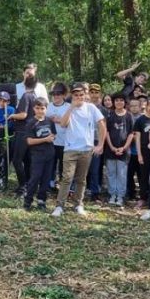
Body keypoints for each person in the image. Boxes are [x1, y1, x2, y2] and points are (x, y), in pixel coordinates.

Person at [51, 83, 106, 218]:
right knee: (67, 178)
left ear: (85, 95)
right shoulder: (69, 108)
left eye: (81, 95)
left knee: (81, 179)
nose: (79, 97)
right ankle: (59, 206)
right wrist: (71, 107)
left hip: (86, 149)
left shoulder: (91, 108)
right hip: (70, 148)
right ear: (72, 96)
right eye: (76, 95)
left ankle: (78, 204)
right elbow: (63, 124)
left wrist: (100, 145)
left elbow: (102, 125)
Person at [24, 97, 56, 211]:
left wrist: (51, 138)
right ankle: (28, 200)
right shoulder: (30, 123)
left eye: (42, 108)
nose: (40, 111)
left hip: (49, 154)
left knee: (46, 179)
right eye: (37, 108)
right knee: (35, 177)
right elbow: (29, 141)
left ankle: (42, 200)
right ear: (33, 108)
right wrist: (45, 140)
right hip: (37, 155)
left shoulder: (49, 121)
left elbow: (53, 134)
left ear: (46, 109)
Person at [104, 92, 134, 206]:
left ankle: (120, 196)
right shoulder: (110, 115)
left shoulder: (129, 116)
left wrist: (124, 147)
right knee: (111, 172)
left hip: (124, 151)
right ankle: (112, 194)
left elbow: (131, 133)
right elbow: (106, 132)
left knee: (121, 173)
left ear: (125, 102)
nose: (119, 102)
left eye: (121, 100)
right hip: (110, 149)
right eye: (116, 100)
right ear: (114, 102)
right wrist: (111, 147)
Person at [10, 74, 37, 194]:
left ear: (25, 83)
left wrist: (11, 116)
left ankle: (23, 186)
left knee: (17, 160)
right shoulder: (35, 96)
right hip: (31, 132)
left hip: (22, 132)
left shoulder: (26, 96)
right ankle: (29, 185)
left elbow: (23, 115)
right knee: (27, 160)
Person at [46, 82, 70, 188]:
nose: (56, 96)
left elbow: (71, 122)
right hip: (51, 140)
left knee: (63, 164)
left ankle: (62, 183)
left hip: (65, 140)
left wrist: (59, 120)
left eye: (59, 94)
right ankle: (50, 182)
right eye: (54, 94)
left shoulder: (68, 106)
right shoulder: (48, 106)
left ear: (64, 95)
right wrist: (51, 119)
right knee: (51, 162)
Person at [126, 97, 144, 203]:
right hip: (129, 152)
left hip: (141, 152)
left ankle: (143, 195)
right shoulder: (127, 117)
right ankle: (131, 194)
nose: (133, 108)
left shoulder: (143, 118)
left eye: (135, 105)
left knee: (142, 175)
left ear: (140, 106)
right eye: (131, 105)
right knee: (129, 174)